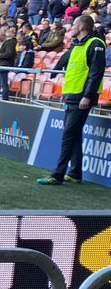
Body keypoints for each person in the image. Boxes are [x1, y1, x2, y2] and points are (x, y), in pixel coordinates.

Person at [37, 14, 107, 185]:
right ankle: (75, 173)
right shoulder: (77, 45)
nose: (71, 27)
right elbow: (67, 62)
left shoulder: (95, 44)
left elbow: (96, 72)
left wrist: (87, 96)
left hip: (82, 97)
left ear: (82, 27)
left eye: (74, 24)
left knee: (68, 135)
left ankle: (57, 175)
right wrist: (53, 72)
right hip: (72, 95)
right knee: (74, 135)